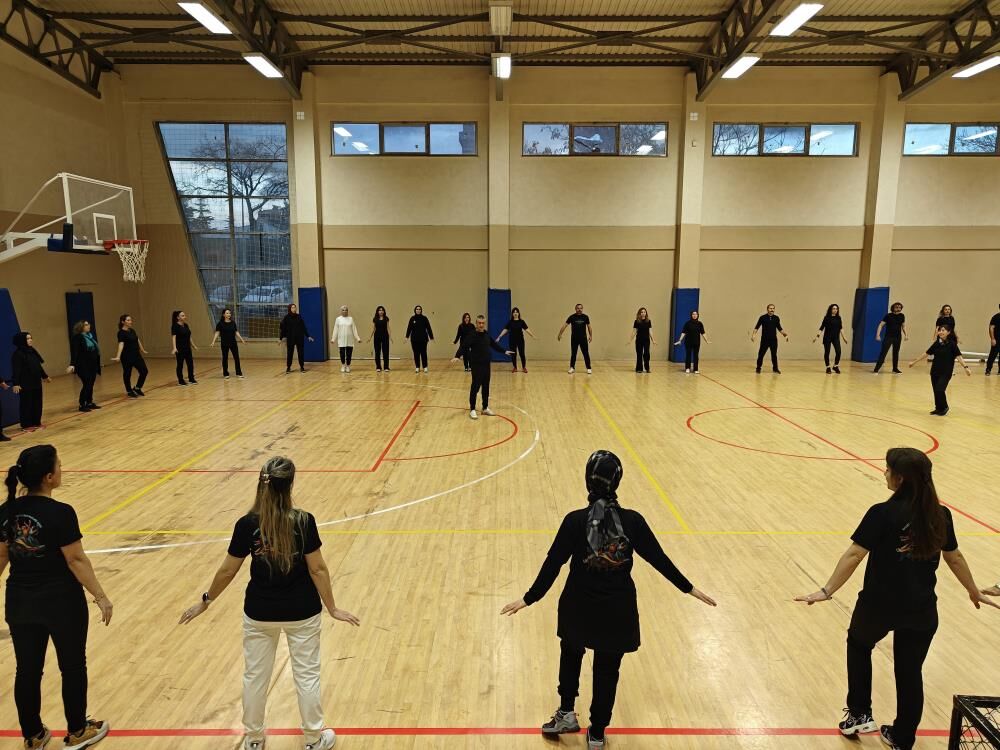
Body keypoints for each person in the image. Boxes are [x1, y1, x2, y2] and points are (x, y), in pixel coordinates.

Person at [500, 451, 716, 749]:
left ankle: (566, 714)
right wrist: (687, 587)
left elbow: (553, 563)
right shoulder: (633, 521)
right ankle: (598, 732)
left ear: (587, 481)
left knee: (570, 655)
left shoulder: (574, 521)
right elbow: (658, 558)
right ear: (617, 482)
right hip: (618, 610)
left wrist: (529, 598)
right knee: (607, 671)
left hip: (577, 605)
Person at [795, 447, 998, 750]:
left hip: (878, 606)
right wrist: (973, 590)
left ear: (900, 478)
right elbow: (954, 557)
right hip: (921, 611)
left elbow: (854, 554)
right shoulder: (940, 515)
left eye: (888, 469)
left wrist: (827, 591)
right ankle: (903, 738)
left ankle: (859, 714)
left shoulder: (881, 513)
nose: (885, 473)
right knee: (909, 671)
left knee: (859, 644)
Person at [179, 456, 360, 750]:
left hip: (259, 612)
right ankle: (314, 739)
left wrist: (206, 600)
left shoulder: (246, 524)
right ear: (290, 485)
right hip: (302, 612)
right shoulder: (304, 521)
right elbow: (317, 569)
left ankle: (253, 739)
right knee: (307, 676)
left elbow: (227, 570)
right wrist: (332, 607)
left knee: (254, 677)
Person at [1, 444, 114, 750]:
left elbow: (1, 557)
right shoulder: (61, 513)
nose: (62, 470)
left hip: (19, 602)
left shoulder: (6, 510)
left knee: (27, 670)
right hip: (62, 603)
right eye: (59, 466)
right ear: (49, 477)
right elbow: (75, 560)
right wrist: (100, 596)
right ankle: (77, 731)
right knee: (73, 666)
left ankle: (33, 735)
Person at [451, 315, 512, 420]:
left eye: (483, 323)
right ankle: (472, 409)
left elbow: (493, 344)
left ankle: (485, 408)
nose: (481, 325)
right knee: (475, 387)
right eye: (479, 323)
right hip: (476, 365)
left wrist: (504, 351)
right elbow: (464, 346)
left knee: (486, 386)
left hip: (486, 365)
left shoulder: (486, 334)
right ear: (476, 323)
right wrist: (457, 356)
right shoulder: (472, 335)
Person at [909, 325, 971, 416]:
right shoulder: (936, 344)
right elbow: (926, 353)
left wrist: (966, 367)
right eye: (939, 330)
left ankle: (945, 407)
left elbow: (958, 356)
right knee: (935, 390)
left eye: (943, 330)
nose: (940, 332)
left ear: (948, 332)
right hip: (934, 371)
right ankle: (938, 408)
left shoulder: (952, 344)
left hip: (946, 372)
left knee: (940, 389)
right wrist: (914, 362)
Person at [11, 333, 51, 431]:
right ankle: (26, 425)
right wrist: (16, 383)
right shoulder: (18, 354)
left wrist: (45, 376)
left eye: (30, 338)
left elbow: (38, 366)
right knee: (27, 404)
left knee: (37, 403)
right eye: (27, 338)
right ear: (22, 341)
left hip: (36, 382)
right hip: (25, 383)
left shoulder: (32, 351)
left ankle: (36, 422)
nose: (30, 340)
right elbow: (16, 370)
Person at [67, 320, 102, 412]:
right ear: (81, 326)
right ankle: (82, 404)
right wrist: (72, 364)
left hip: (92, 365)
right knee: (87, 383)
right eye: (86, 325)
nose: (88, 326)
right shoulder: (77, 338)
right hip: (82, 365)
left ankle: (89, 402)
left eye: (88, 324)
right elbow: (75, 352)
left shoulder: (89, 336)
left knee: (91, 383)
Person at [111, 314, 149, 398]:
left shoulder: (132, 330)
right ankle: (129, 390)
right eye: (128, 320)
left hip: (136, 355)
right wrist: (118, 356)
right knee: (127, 374)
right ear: (123, 322)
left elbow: (137, 339)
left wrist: (142, 349)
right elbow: (121, 344)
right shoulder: (121, 333)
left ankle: (137, 388)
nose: (130, 321)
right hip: (127, 357)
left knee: (144, 371)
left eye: (130, 320)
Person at [210, 308, 247, 379]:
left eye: (229, 313)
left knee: (236, 358)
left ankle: (239, 373)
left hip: (233, 343)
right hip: (224, 343)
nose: (229, 314)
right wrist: (213, 341)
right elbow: (217, 332)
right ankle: (225, 373)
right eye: (227, 313)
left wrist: (242, 339)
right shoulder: (220, 324)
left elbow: (236, 332)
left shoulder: (233, 323)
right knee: (225, 358)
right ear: (223, 315)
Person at [751, 304, 788, 374]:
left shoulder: (776, 318)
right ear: (767, 309)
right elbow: (757, 327)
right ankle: (758, 368)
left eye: (773, 308)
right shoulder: (762, 318)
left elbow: (779, 328)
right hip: (765, 340)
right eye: (770, 308)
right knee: (761, 354)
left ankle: (775, 369)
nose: (772, 310)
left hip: (773, 340)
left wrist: (785, 335)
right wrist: (753, 335)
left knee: (774, 355)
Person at [813, 303, 849, 374]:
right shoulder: (826, 318)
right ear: (831, 309)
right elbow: (821, 328)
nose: (835, 310)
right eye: (834, 308)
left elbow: (841, 328)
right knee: (827, 352)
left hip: (835, 338)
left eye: (836, 309)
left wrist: (844, 337)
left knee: (838, 351)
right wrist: (817, 337)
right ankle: (828, 367)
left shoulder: (838, 318)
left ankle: (835, 366)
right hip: (827, 338)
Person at [557, 303, 592, 375]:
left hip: (583, 339)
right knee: (573, 354)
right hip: (574, 339)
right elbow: (565, 325)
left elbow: (589, 326)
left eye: (581, 308)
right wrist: (560, 334)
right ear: (575, 309)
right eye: (578, 308)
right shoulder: (572, 317)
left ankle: (589, 368)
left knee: (586, 353)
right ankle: (572, 368)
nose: (579, 309)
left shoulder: (585, 317)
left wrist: (590, 335)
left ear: (582, 309)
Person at [497, 307, 535, 373]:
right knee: (513, 354)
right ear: (512, 314)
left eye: (516, 312)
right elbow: (505, 330)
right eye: (514, 312)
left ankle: (524, 367)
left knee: (522, 354)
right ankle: (515, 367)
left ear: (518, 313)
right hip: (512, 340)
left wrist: (532, 335)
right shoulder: (510, 322)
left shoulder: (521, 322)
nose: (515, 313)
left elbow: (527, 329)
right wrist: (499, 336)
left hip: (520, 340)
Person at [279, 304, 314, 374]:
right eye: (292, 307)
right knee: (290, 353)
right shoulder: (286, 318)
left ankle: (302, 367)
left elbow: (303, 327)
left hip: (299, 338)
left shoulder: (299, 316)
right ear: (290, 309)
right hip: (290, 338)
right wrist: (280, 338)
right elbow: (283, 329)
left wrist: (308, 336)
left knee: (301, 353)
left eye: (295, 307)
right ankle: (288, 367)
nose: (294, 309)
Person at [874, 302, 907, 374]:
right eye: (896, 307)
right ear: (893, 308)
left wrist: (906, 335)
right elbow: (881, 325)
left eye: (899, 307)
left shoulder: (902, 316)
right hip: (888, 337)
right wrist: (878, 335)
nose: (898, 309)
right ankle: (876, 369)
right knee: (883, 353)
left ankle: (895, 369)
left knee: (896, 353)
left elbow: (903, 326)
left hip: (898, 337)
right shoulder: (888, 316)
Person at [330, 305, 361, 373]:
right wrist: (333, 339)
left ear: (347, 311)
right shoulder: (338, 319)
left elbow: (354, 329)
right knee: (342, 353)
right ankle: (343, 365)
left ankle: (348, 366)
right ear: (341, 311)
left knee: (349, 354)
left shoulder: (351, 319)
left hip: (349, 339)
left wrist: (357, 338)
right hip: (341, 339)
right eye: (343, 310)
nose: (344, 311)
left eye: (346, 310)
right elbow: (335, 329)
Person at [171, 310, 198, 386]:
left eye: (184, 315)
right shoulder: (175, 326)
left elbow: (189, 337)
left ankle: (191, 379)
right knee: (180, 365)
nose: (184, 317)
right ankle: (180, 380)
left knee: (190, 364)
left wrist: (193, 345)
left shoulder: (186, 325)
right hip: (180, 349)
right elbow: (173, 337)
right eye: (182, 315)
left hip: (187, 348)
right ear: (178, 317)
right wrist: (174, 348)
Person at [405, 305, 434, 373]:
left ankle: (425, 367)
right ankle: (417, 367)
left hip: (423, 339)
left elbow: (428, 328)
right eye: (417, 309)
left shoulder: (424, 318)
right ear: (415, 310)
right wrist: (407, 337)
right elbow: (409, 328)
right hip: (414, 339)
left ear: (421, 310)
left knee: (423, 353)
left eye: (419, 309)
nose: (418, 310)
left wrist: (431, 337)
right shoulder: (412, 318)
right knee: (416, 353)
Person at [627, 308, 655, 374]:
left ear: (646, 313)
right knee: (639, 354)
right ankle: (639, 368)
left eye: (644, 312)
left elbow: (650, 331)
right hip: (639, 340)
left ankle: (647, 368)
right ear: (639, 313)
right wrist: (630, 340)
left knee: (646, 354)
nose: (643, 313)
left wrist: (653, 340)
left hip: (646, 340)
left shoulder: (648, 321)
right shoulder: (636, 321)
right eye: (641, 312)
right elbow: (634, 331)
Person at [369, 306, 391, 372]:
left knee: (386, 352)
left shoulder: (386, 318)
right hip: (377, 337)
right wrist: (370, 337)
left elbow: (388, 328)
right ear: (377, 311)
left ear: (384, 311)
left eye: (382, 310)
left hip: (385, 337)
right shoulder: (375, 319)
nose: (381, 311)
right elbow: (373, 329)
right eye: (379, 310)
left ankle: (386, 367)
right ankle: (378, 367)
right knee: (377, 352)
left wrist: (390, 337)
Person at [985, 304, 1000, 375]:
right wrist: (993, 339)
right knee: (992, 355)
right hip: (997, 340)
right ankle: (988, 369)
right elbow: (991, 328)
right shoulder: (996, 317)